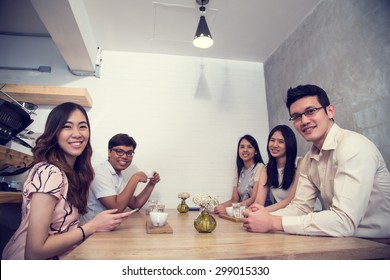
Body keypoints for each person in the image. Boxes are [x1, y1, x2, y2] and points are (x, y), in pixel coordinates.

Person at [243, 84, 390, 238]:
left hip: (380, 244)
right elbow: (299, 208)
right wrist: (260, 216)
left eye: (310, 111)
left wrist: (273, 222)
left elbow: (344, 221)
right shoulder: (308, 159)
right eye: (297, 116)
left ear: (330, 111)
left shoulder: (353, 145)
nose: (304, 120)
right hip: (343, 240)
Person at [2, 102, 132, 260]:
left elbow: (62, 229)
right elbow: (34, 252)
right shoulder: (50, 173)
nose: (77, 134)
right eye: (67, 126)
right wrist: (92, 226)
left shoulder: (72, 173)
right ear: (55, 132)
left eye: (82, 126)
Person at [81, 133, 160, 222]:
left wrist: (151, 184)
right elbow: (117, 209)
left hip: (108, 228)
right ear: (109, 152)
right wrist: (135, 178)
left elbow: (135, 204)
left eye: (129, 153)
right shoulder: (100, 173)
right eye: (119, 151)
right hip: (94, 232)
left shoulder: (118, 176)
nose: (125, 156)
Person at [254, 125, 300, 212]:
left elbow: (291, 200)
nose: (275, 145)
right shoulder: (266, 169)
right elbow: (259, 201)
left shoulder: (299, 163)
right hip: (284, 214)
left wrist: (262, 211)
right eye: (272, 140)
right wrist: (251, 210)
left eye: (281, 141)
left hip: (306, 214)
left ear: (289, 144)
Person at [214, 134, 264, 215]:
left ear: (256, 151)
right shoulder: (238, 170)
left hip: (257, 211)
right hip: (241, 211)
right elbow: (234, 199)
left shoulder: (260, 168)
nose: (245, 150)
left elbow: (253, 198)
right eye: (242, 147)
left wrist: (229, 209)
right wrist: (218, 207)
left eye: (249, 147)